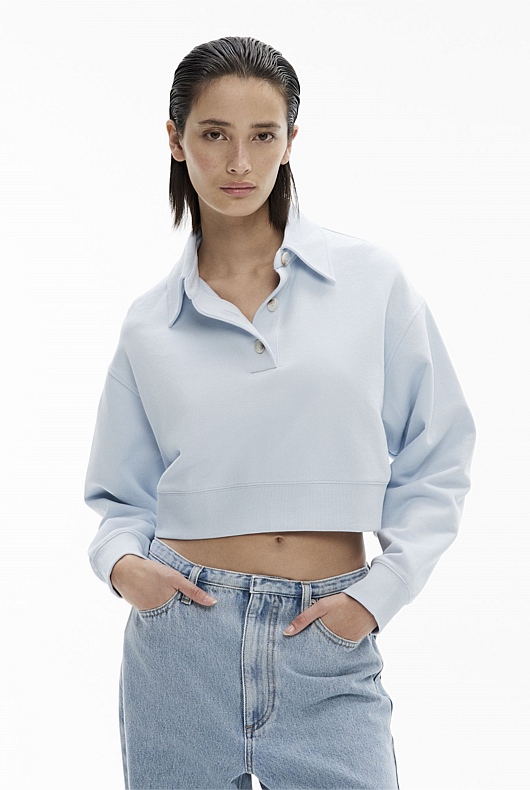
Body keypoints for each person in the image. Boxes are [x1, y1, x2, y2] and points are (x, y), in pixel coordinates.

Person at [84, 36, 476, 790]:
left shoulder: (370, 282)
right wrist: (127, 569)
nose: (239, 162)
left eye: (263, 135)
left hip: (326, 638)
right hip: (180, 648)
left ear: (291, 140)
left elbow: (439, 453)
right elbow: (119, 497)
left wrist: (377, 595)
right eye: (214, 134)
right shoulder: (150, 324)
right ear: (176, 140)